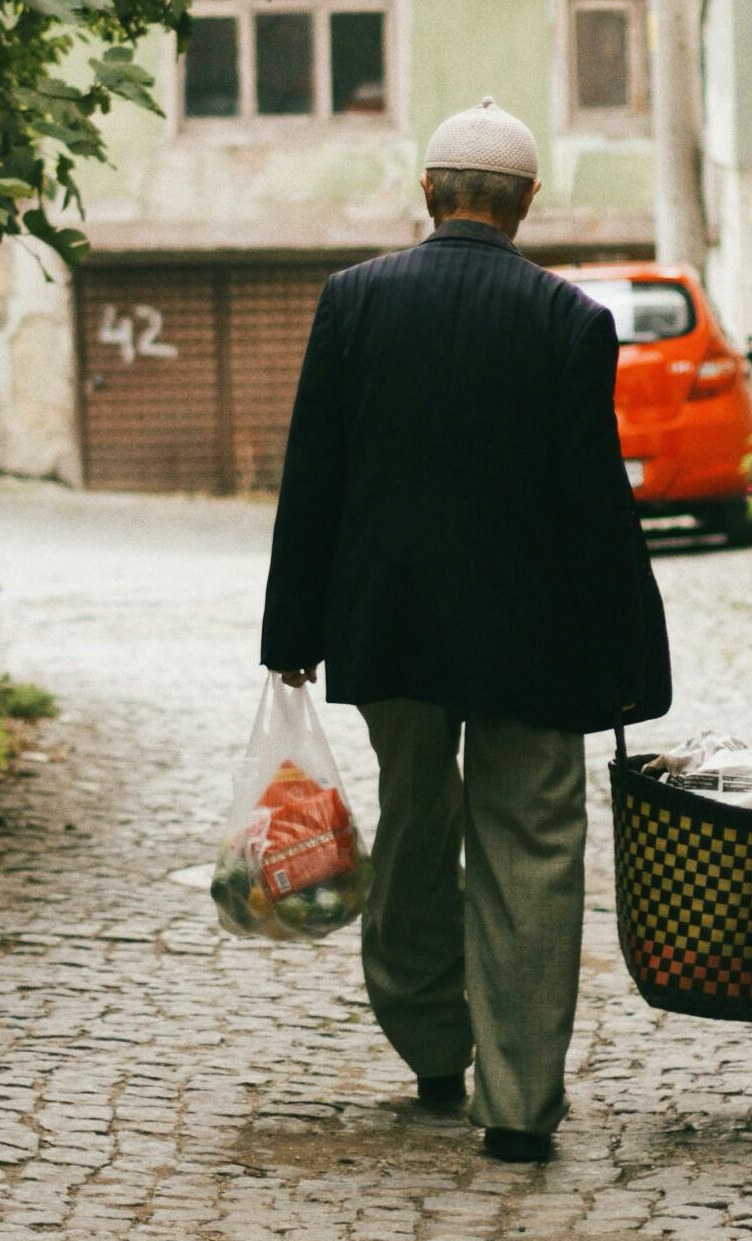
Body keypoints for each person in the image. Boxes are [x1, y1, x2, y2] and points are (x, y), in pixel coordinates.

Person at [261, 96, 670, 1163]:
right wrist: (627, 658)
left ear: (429, 193)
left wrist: (291, 629)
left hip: (390, 625)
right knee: (530, 845)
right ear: (527, 203)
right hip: (532, 641)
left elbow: (316, 476)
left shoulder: (353, 302)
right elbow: (594, 503)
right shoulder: (567, 321)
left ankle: (433, 1044)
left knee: (412, 821)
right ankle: (522, 1102)